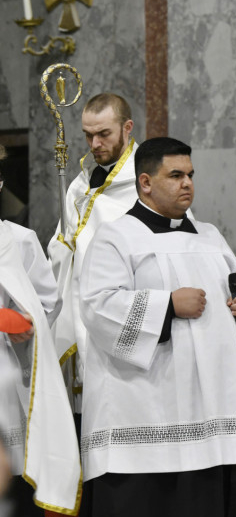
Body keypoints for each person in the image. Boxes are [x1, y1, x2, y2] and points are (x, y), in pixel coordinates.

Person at [75, 137, 236, 517]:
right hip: (146, 408)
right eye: (175, 175)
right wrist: (167, 306)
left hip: (214, 410)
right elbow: (98, 307)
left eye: (191, 175)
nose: (187, 184)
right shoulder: (115, 238)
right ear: (145, 182)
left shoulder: (211, 237)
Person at [0, 146, 81, 517]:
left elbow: (47, 303)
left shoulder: (18, 239)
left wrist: (23, 323)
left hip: (6, 380)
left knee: (15, 494)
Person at [48, 93, 140, 415]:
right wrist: (62, 248)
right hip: (78, 304)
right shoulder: (80, 183)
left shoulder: (146, 181)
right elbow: (64, 243)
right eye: (88, 135)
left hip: (121, 309)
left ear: (127, 128)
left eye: (103, 134)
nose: (94, 144)